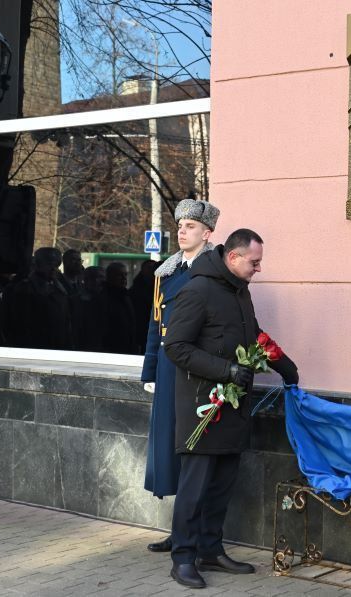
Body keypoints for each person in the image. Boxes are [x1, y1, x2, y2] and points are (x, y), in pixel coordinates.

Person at [163, 228, 299, 589]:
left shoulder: (240, 292)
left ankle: (210, 549)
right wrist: (226, 370)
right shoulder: (197, 290)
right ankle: (183, 558)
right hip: (203, 409)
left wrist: (284, 365)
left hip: (234, 407)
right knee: (194, 488)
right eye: (255, 262)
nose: (258, 269)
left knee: (222, 484)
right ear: (234, 257)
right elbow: (176, 347)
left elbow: (253, 335)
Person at [141, 198, 220, 553]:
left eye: (190, 226)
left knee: (193, 452)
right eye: (180, 226)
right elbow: (155, 325)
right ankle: (180, 532)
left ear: (207, 233)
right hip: (169, 370)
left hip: (196, 370)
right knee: (171, 452)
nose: (182, 231)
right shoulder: (166, 273)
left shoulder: (215, 272)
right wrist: (150, 369)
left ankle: (196, 536)